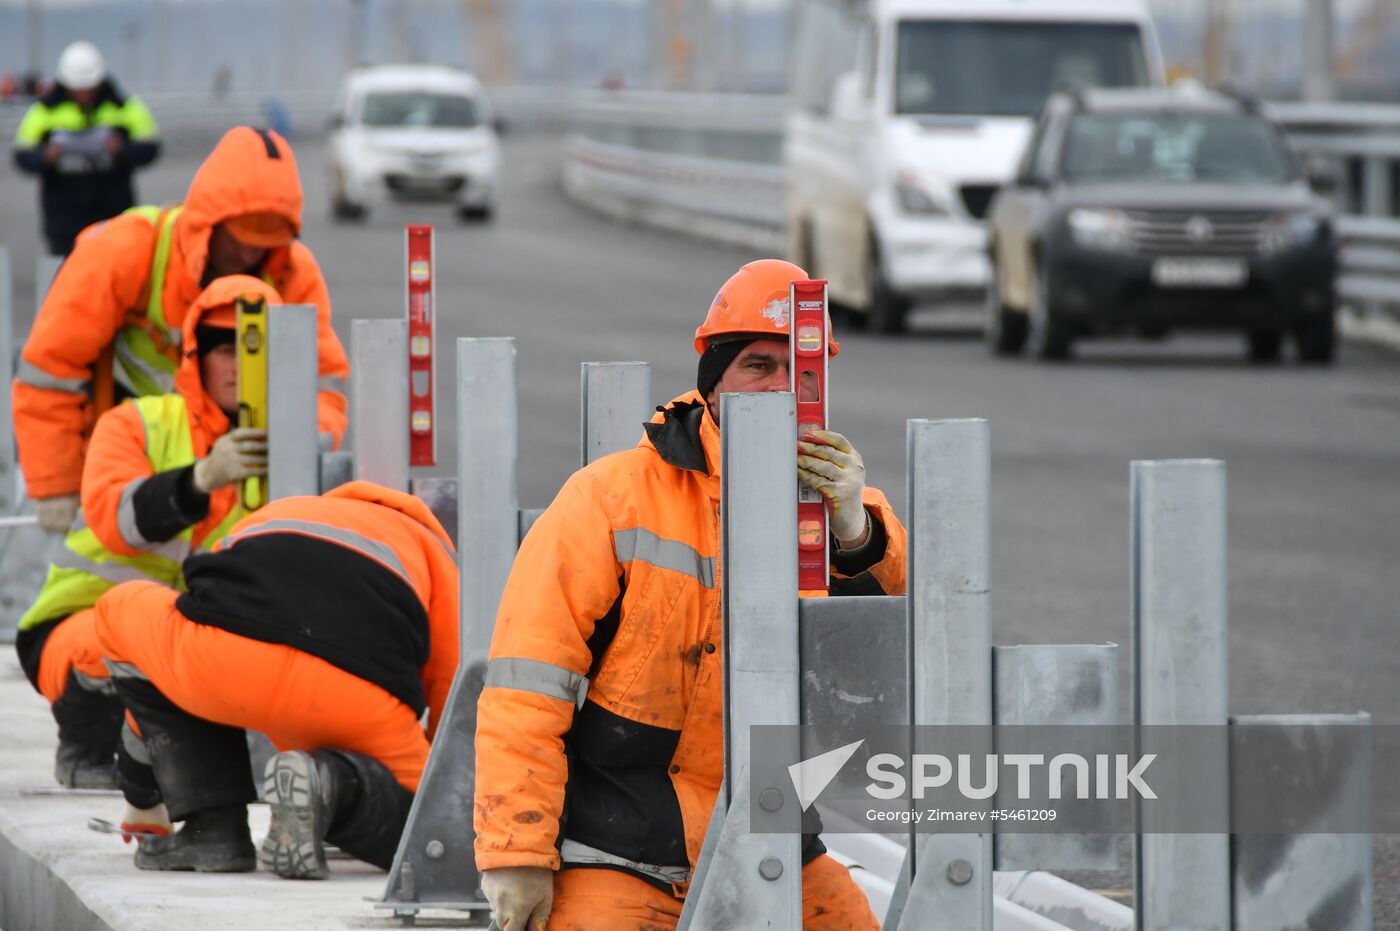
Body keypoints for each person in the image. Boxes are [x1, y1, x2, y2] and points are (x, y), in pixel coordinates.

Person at [473, 259, 908, 930]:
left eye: (802, 372)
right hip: (619, 855)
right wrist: (516, 851)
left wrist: (856, 531)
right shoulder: (610, 500)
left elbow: (912, 652)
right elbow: (526, 687)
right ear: (713, 383)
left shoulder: (853, 518)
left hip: (773, 843)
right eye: (758, 367)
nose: (781, 390)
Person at [93, 479, 460, 875]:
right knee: (439, 834)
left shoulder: (283, 511)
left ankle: (211, 830)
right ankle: (331, 786)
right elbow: (450, 690)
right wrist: (425, 781)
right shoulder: (435, 551)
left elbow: (203, 603)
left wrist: (141, 791)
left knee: (121, 609)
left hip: (220, 657)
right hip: (353, 699)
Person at [12, 124, 350, 536]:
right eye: (237, 237)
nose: (247, 253)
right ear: (205, 223)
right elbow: (51, 369)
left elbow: (324, 386)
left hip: (239, 483)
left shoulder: (292, 273)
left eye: (262, 241)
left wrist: (292, 448)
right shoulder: (124, 251)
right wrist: (56, 486)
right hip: (128, 465)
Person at [13, 276, 276, 792]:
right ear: (195, 356)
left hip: (189, 640)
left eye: (254, 352)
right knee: (134, 648)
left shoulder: (293, 450)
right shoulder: (137, 422)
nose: (239, 367)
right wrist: (200, 479)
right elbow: (118, 521)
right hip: (82, 627)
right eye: (225, 350)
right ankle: (87, 747)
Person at [11, 40, 160, 256]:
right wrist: (45, 158)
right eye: (78, 89)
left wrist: (122, 150)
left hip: (113, 212)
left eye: (88, 88)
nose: (84, 94)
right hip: (63, 217)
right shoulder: (45, 110)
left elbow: (150, 148)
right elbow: (22, 155)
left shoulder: (123, 106)